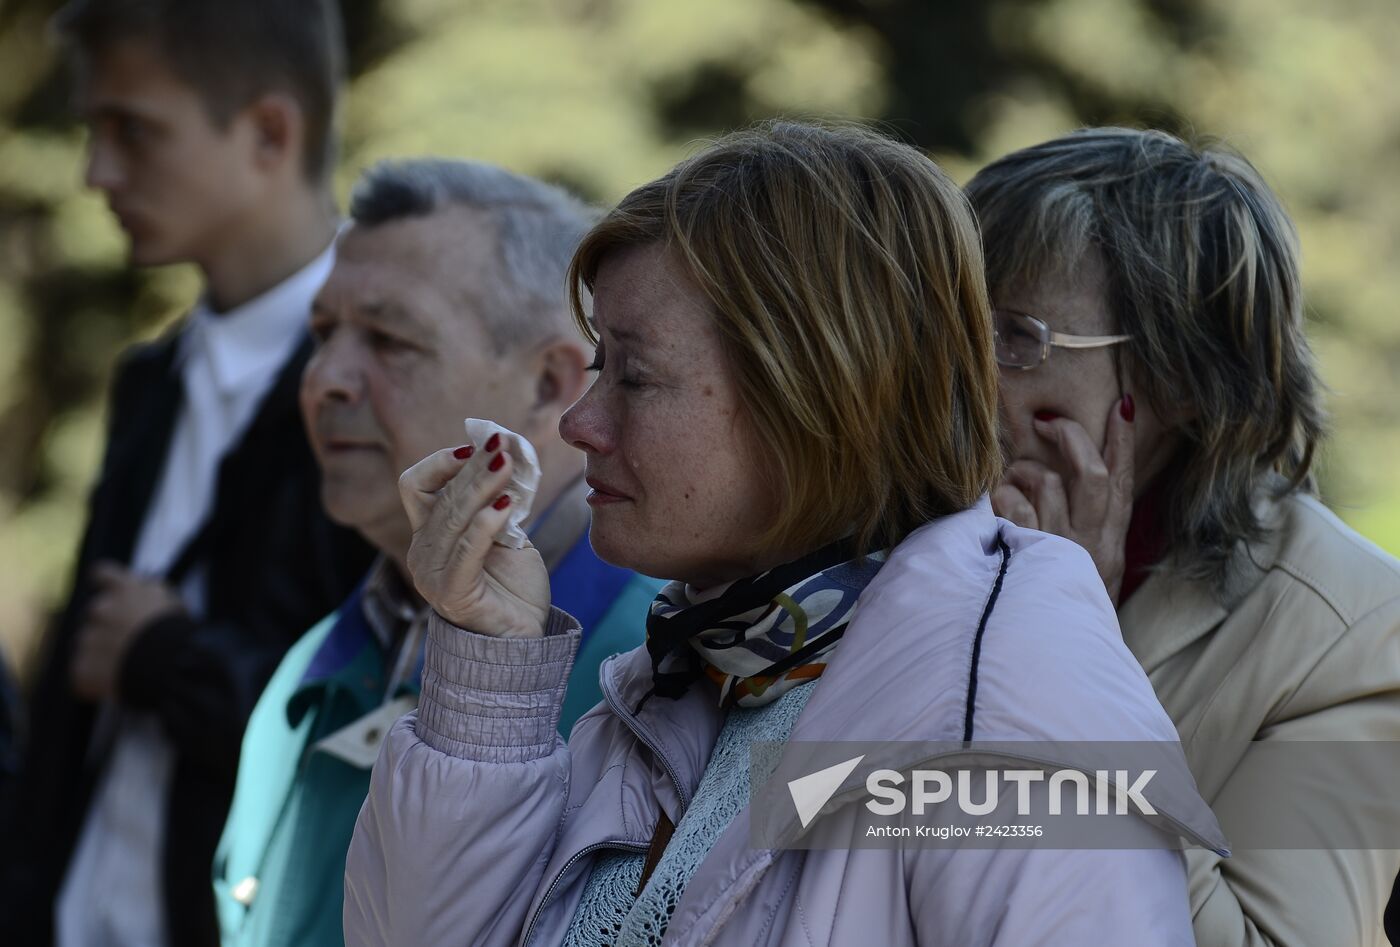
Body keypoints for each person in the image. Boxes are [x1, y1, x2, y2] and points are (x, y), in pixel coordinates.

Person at [340, 121, 1225, 946]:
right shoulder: (695, 677)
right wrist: (488, 686)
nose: (579, 423)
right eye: (598, 363)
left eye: (635, 376)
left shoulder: (1009, 711)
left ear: (814, 393)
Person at [0, 2, 376, 945]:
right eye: (92, 131)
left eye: (133, 128)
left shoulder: (383, 392)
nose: (97, 171)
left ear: (269, 133)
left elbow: (389, 730)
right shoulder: (149, 378)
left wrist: (171, 660)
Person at [212, 158, 658, 947]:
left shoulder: (670, 664)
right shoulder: (307, 672)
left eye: (388, 338)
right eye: (322, 335)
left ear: (553, 381)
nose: (323, 381)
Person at [970, 127, 1400, 946]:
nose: (962, 373)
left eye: (1016, 338)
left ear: (1183, 382)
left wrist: (1077, 664)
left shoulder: (1353, 632)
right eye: (951, 321)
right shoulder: (899, 527)